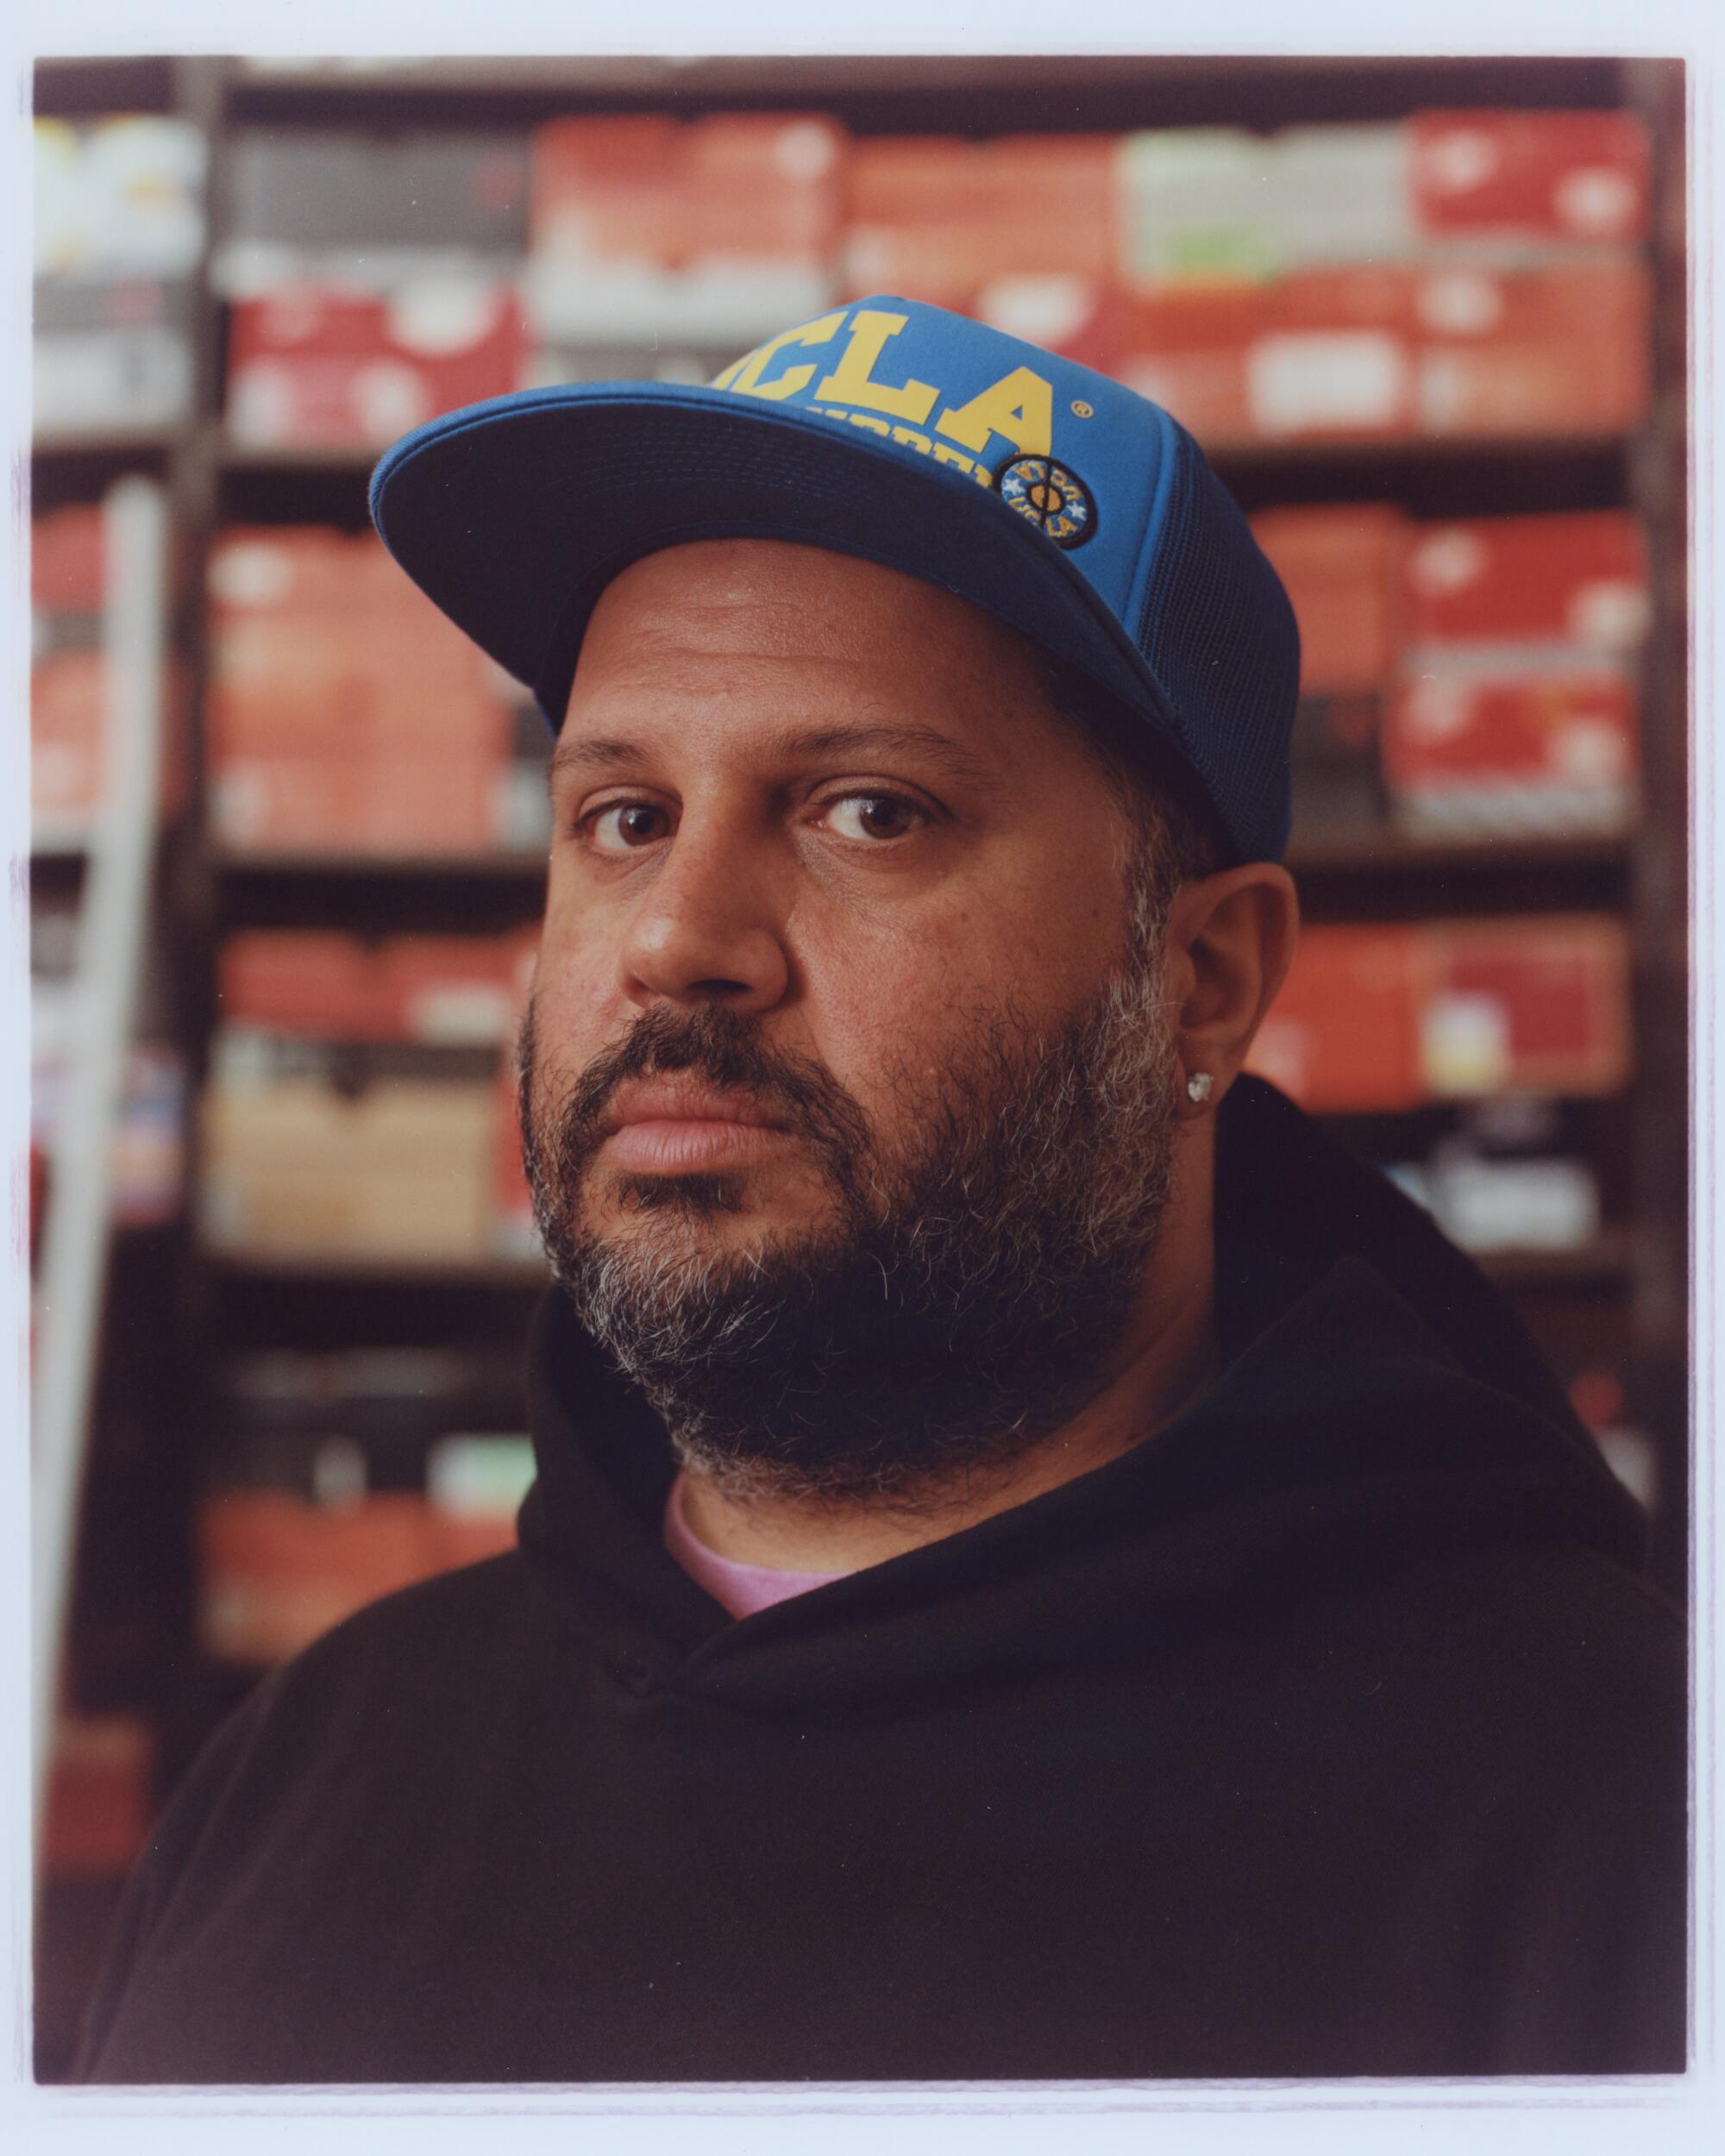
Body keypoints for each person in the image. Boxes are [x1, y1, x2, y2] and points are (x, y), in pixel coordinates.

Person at [77, 298, 1685, 2084]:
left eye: (868, 812)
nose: (679, 940)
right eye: (622, 816)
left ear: (1204, 981)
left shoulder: (1619, 1824)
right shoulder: (309, 1765)